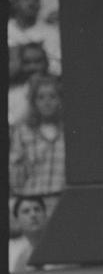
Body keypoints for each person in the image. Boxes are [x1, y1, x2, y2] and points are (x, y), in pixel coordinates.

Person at [9, 74, 66, 217]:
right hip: (33, 201)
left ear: (61, 99)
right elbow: (15, 173)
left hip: (62, 199)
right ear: (33, 102)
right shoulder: (23, 131)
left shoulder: (68, 131)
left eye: (52, 96)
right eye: (41, 97)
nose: (47, 102)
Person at [9, 195, 48, 273]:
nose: (33, 215)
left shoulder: (61, 245)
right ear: (17, 220)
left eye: (37, 209)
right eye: (26, 211)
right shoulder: (11, 249)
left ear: (45, 215)